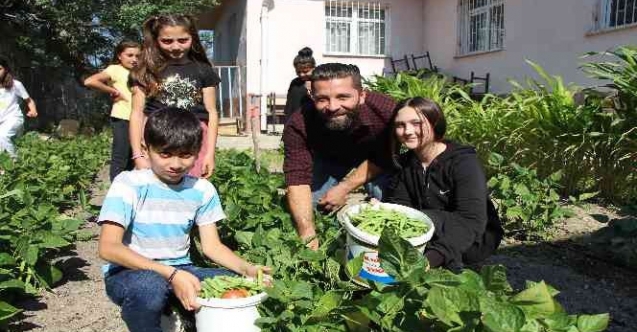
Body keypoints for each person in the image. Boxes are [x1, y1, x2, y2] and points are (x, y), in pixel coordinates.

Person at [98, 108, 270, 332]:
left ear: (198, 152)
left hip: (182, 268)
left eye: (186, 155)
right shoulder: (129, 184)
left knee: (232, 282)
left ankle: (175, 313)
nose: (176, 164)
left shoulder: (202, 189)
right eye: (165, 154)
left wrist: (246, 269)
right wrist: (171, 274)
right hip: (130, 273)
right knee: (150, 287)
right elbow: (108, 248)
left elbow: (212, 247)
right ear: (145, 148)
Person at [283, 63, 396, 249]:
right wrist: (307, 234)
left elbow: (386, 156)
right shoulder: (298, 124)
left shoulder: (386, 112)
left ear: (362, 96)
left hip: (374, 159)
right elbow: (297, 179)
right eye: (322, 99)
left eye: (343, 97)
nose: (333, 106)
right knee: (313, 207)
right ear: (312, 97)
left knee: (388, 202)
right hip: (329, 158)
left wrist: (344, 188)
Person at [383, 97, 503, 269]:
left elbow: (472, 221)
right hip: (427, 232)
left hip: (473, 240)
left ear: (435, 123)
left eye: (416, 123)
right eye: (400, 125)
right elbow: (402, 208)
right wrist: (384, 211)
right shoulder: (404, 164)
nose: (407, 131)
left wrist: (429, 260)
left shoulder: (463, 163)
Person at [129, 14, 220, 178]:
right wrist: (137, 154)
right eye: (167, 41)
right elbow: (136, 113)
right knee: (153, 188)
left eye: (183, 40)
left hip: (193, 137)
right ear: (156, 39)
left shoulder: (204, 71)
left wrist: (209, 154)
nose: (176, 47)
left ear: (192, 37)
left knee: (191, 189)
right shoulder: (145, 70)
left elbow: (212, 113)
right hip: (157, 135)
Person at [84, 41, 141, 181]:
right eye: (130, 55)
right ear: (119, 56)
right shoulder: (115, 69)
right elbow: (90, 81)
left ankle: (126, 190)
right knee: (120, 155)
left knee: (133, 156)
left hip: (139, 120)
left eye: (138, 56)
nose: (134, 59)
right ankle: (115, 191)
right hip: (122, 117)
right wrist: (113, 91)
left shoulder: (140, 72)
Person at [0, 57, 37, 158]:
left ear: (6, 69)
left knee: (2, 136)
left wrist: (33, 110)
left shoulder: (15, 84)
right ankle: (5, 169)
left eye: (0, 69)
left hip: (14, 119)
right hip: (1, 122)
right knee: (2, 148)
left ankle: (15, 163)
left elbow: (29, 100)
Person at [284, 47, 315, 122]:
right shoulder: (294, 83)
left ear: (314, 68)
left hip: (312, 122)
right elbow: (289, 106)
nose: (301, 75)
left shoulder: (318, 82)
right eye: (298, 72)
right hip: (294, 121)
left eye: (305, 71)